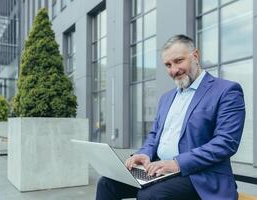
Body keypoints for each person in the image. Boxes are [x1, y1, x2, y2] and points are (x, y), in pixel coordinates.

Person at [95, 34, 245, 200]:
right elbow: (154, 136)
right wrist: (144, 154)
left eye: (179, 61)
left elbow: (226, 143)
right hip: (160, 170)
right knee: (106, 183)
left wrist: (177, 164)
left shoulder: (226, 91)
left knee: (150, 195)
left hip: (201, 177)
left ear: (195, 56)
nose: (173, 70)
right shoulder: (166, 98)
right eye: (168, 65)